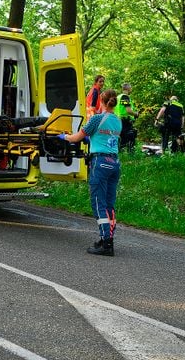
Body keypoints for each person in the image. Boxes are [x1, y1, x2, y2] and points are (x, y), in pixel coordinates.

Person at [60, 89, 122, 256]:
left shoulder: (96, 118)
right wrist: (90, 139)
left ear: (101, 101)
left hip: (100, 163)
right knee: (109, 204)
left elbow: (76, 138)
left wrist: (63, 137)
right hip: (114, 163)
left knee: (98, 203)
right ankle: (108, 238)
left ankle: (106, 243)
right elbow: (106, 138)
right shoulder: (118, 121)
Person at [115, 83, 139, 153]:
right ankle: (130, 155)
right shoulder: (125, 97)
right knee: (130, 137)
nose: (131, 89)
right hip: (125, 121)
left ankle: (121, 155)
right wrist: (136, 114)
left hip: (118, 120)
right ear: (128, 88)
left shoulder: (118, 97)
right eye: (131, 88)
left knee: (121, 139)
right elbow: (128, 110)